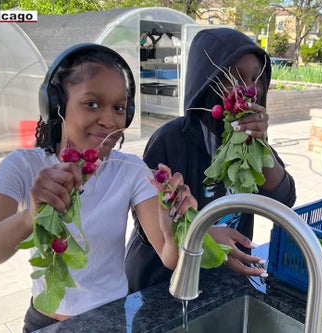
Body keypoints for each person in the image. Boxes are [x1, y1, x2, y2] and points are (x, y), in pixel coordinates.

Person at [0, 43, 197, 332]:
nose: (110, 120)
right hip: (43, 323)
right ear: (56, 105)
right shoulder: (22, 166)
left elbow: (170, 258)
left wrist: (172, 230)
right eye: (92, 103)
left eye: (119, 107)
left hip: (110, 321)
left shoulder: (130, 170)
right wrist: (30, 215)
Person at [124, 28, 297, 293]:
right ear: (208, 80)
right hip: (162, 283)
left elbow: (284, 200)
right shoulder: (170, 140)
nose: (248, 89)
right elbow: (153, 229)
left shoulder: (250, 143)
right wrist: (207, 241)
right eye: (236, 77)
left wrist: (260, 145)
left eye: (255, 79)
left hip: (223, 279)